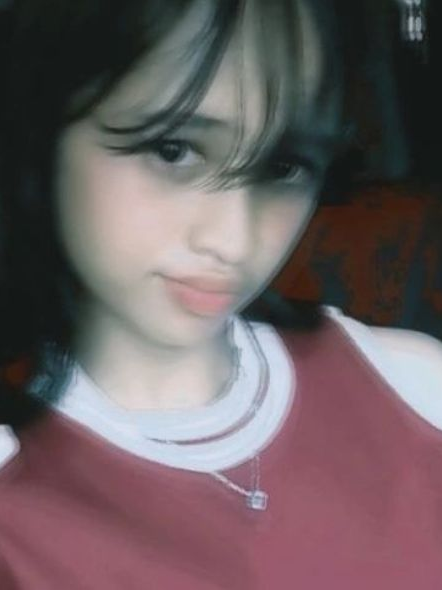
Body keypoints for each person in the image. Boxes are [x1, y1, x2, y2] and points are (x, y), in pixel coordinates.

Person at [0, 0, 441, 588]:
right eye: (174, 150)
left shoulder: (413, 388)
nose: (233, 240)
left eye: (282, 166)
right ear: (42, 132)